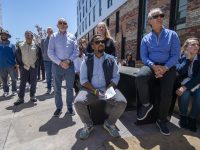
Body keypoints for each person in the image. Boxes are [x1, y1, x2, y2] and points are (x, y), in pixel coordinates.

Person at [135, 8, 180, 135]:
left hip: (168, 66)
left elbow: (176, 55)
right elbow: (144, 57)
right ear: (149, 21)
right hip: (151, 65)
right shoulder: (145, 38)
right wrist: (153, 66)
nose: (160, 17)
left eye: (161, 15)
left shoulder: (173, 35)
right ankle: (146, 104)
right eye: (156, 16)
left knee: (166, 95)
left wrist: (165, 68)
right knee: (140, 76)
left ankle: (161, 120)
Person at [74, 34, 127, 140]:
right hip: (90, 90)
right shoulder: (87, 60)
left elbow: (116, 77)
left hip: (107, 89)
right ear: (93, 46)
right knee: (78, 102)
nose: (101, 44)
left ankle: (109, 123)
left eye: (102, 42)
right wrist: (95, 91)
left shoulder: (111, 59)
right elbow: (83, 80)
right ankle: (88, 125)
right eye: (97, 42)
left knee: (122, 102)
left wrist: (109, 89)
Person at [48, 18, 79, 117]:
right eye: (60, 23)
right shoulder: (53, 36)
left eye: (64, 23)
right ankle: (59, 108)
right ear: (57, 25)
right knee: (57, 88)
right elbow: (50, 52)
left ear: (67, 25)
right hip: (57, 66)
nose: (62, 24)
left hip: (70, 65)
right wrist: (60, 62)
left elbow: (76, 51)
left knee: (70, 88)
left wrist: (69, 61)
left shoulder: (72, 37)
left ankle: (70, 106)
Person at [176, 37, 200, 132]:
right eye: (193, 44)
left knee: (199, 95)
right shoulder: (182, 58)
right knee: (184, 93)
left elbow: (198, 78)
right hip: (184, 82)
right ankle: (183, 116)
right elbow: (179, 71)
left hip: (197, 83)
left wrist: (185, 87)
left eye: (197, 44)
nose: (196, 46)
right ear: (186, 47)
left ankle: (192, 118)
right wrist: (187, 59)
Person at [14, 31, 42, 105]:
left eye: (29, 35)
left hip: (33, 67)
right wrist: (21, 65)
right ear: (25, 37)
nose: (28, 37)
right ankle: (21, 98)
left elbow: (39, 56)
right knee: (22, 83)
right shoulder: (20, 45)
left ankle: (32, 96)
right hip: (24, 67)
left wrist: (36, 65)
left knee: (33, 83)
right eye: (26, 35)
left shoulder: (36, 45)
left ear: (32, 36)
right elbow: (17, 55)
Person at [0, 30, 17, 97]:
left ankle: (14, 90)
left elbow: (15, 55)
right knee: (4, 80)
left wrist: (16, 64)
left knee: (13, 79)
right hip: (1, 66)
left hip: (11, 65)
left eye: (4, 35)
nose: (3, 36)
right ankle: (6, 91)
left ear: (7, 36)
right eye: (2, 35)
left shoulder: (12, 45)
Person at [40, 27, 53, 94]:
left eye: (51, 30)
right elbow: (42, 49)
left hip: (54, 60)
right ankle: (49, 88)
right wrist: (44, 55)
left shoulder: (55, 38)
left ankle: (55, 87)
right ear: (47, 32)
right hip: (46, 60)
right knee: (48, 75)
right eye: (48, 30)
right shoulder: (43, 40)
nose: (49, 31)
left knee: (54, 75)